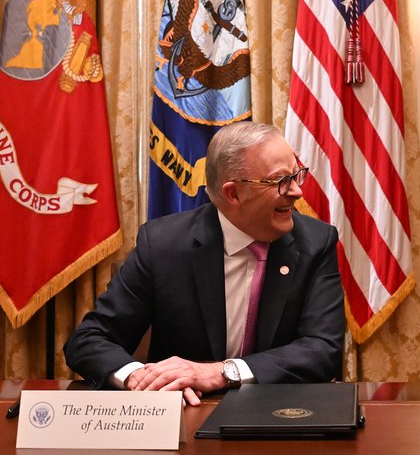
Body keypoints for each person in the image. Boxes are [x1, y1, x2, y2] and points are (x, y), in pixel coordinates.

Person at [64, 122, 345, 405]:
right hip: (185, 418)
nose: (297, 192)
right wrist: (141, 378)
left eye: (297, 175)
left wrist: (222, 372)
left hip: (279, 416)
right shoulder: (163, 244)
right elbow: (89, 340)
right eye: (281, 180)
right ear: (233, 193)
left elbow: (323, 349)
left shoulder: (316, 242)